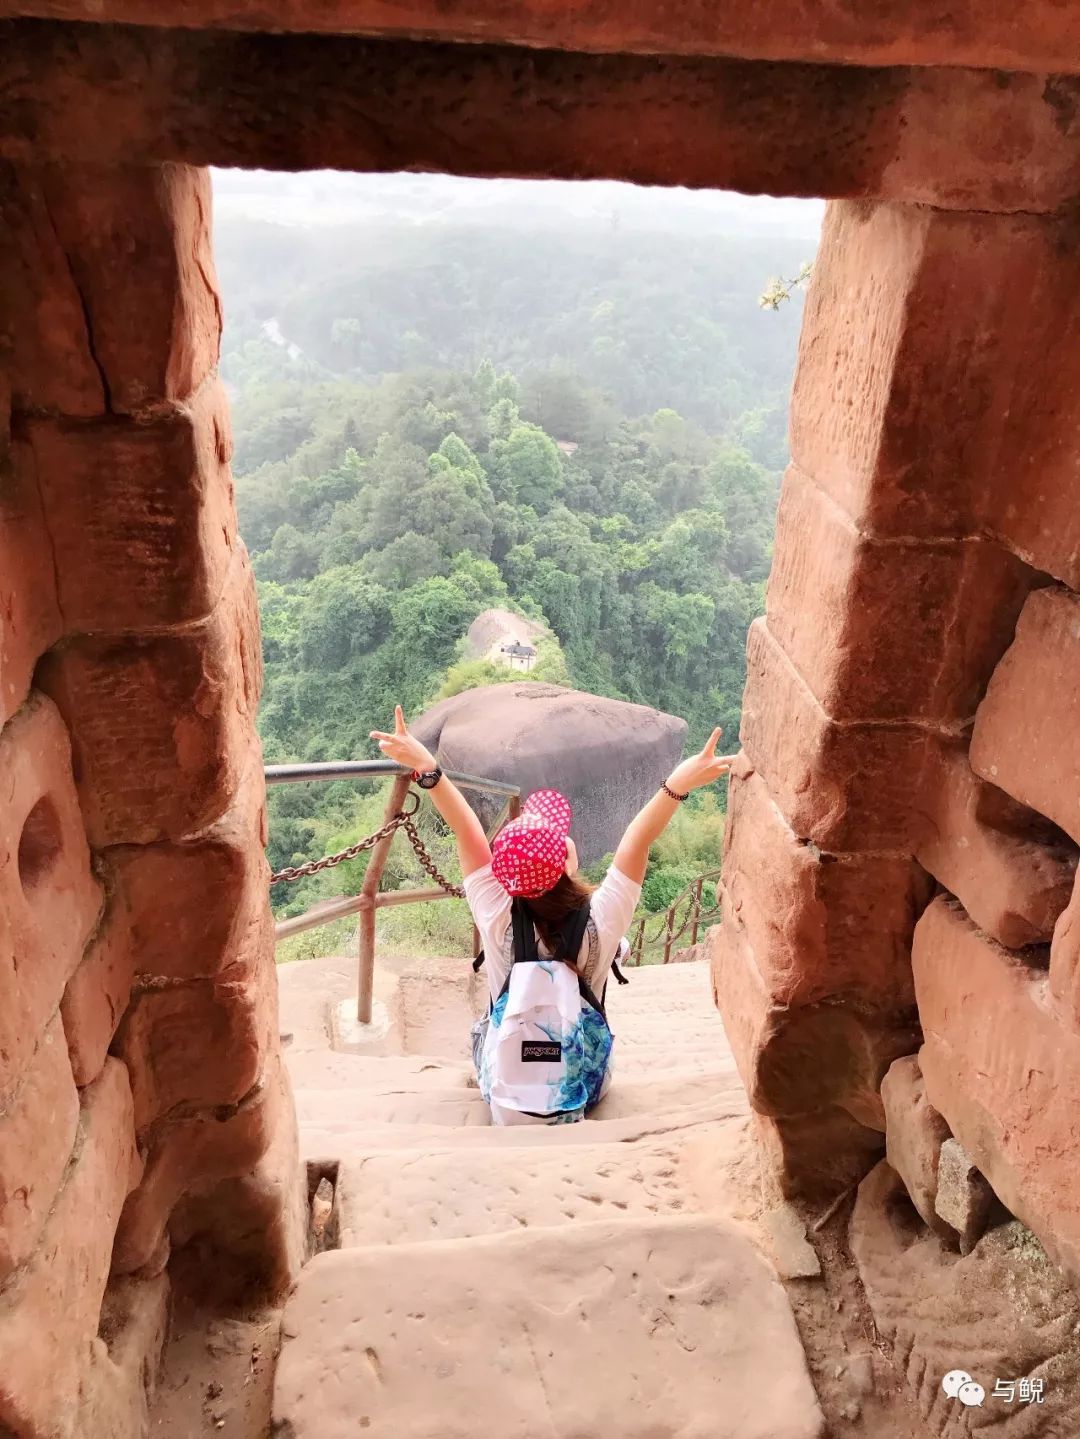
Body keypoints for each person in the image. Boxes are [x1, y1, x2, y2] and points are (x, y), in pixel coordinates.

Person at [370, 705, 734, 1125]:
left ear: (502, 873)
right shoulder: (602, 920)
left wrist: (427, 768)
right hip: (582, 1085)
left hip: (504, 1085)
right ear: (566, 863)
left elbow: (467, 829)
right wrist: (677, 784)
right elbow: (639, 836)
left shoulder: (495, 913)